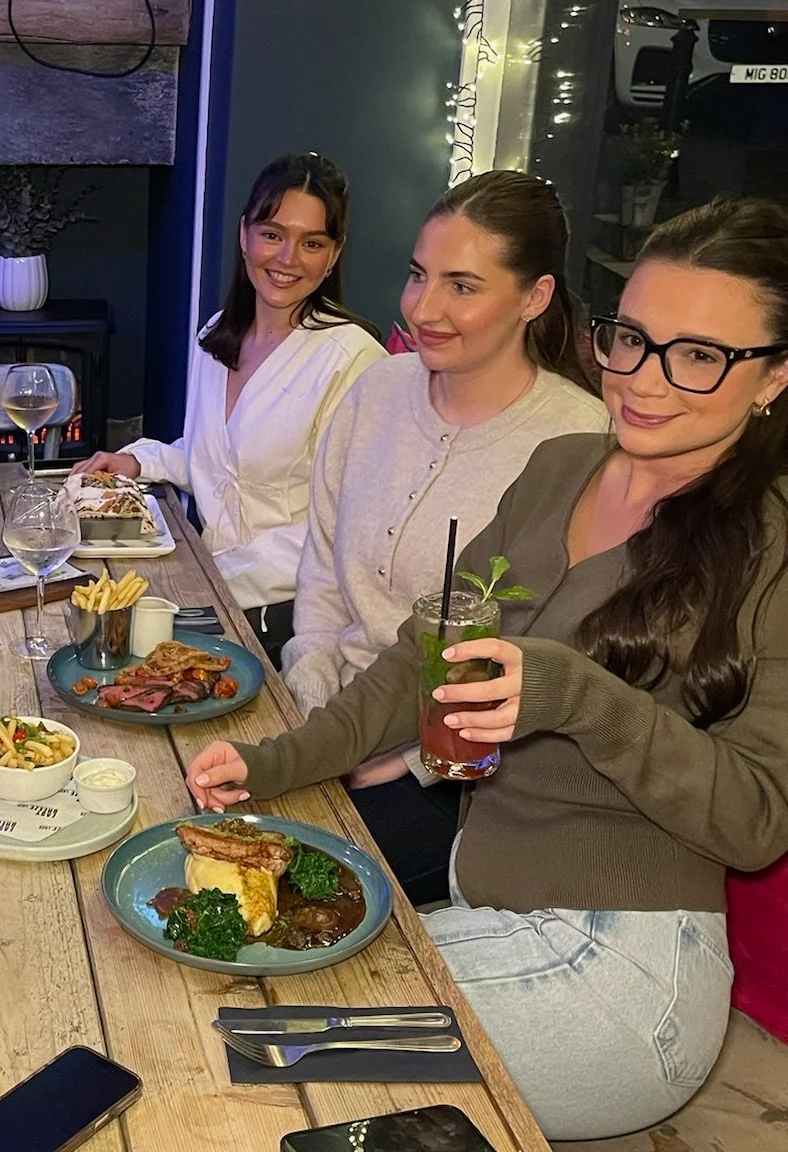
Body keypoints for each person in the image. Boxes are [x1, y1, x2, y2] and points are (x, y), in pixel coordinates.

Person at [184, 198, 788, 1141]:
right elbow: (422, 661)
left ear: (774, 377)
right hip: (486, 910)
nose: (643, 379)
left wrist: (584, 695)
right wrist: (274, 762)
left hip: (625, 972)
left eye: (701, 354)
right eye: (630, 338)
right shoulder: (562, 465)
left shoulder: (773, 548)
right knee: (223, 994)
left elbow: (755, 822)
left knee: (246, 1062)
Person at [279, 170, 609, 905]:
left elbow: (560, 661)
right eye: (418, 275)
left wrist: (405, 756)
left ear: (536, 297)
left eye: (462, 285)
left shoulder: (580, 443)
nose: (424, 307)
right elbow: (323, 574)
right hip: (327, 706)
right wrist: (311, 686)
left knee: (283, 893)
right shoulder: (375, 392)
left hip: (459, 779)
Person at [71, 153, 386, 664]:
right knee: (80, 638)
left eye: (312, 243)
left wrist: (209, 578)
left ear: (333, 256)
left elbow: (350, 524)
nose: (287, 258)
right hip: (210, 591)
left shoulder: (355, 360)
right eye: (272, 233)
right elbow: (214, 461)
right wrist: (138, 461)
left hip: (293, 620)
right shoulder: (216, 336)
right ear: (244, 235)